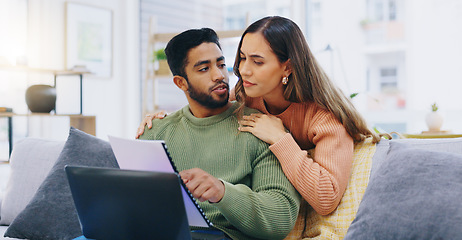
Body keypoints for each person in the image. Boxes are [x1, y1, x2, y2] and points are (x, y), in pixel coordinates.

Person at [137, 16, 381, 218]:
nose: (243, 70)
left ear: (287, 67)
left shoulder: (325, 118)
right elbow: (205, 101)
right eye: (242, 57)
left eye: (257, 61)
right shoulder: (247, 94)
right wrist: (164, 120)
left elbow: (326, 199)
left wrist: (281, 139)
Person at [137, 28, 300, 240]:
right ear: (181, 83)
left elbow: (281, 219)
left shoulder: (260, 127)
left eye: (221, 64)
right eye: (204, 69)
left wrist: (222, 192)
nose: (219, 75)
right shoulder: (155, 132)